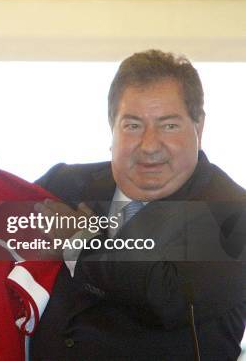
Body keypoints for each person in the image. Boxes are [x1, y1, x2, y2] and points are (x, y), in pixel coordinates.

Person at [30, 50, 245, 360]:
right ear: (111, 127)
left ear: (199, 128)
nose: (149, 145)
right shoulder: (63, 185)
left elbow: (166, 297)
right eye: (132, 125)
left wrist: (80, 242)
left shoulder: (233, 214)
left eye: (168, 126)